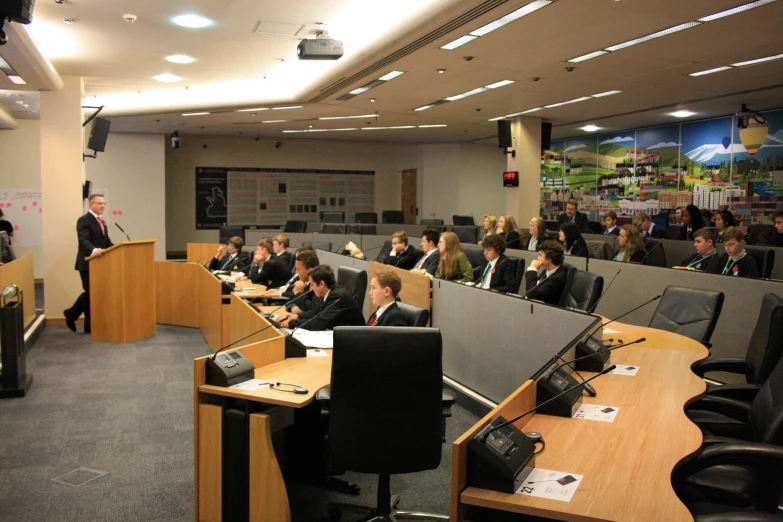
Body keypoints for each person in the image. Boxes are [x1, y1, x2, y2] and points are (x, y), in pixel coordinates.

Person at [64, 194, 114, 333]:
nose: (103, 206)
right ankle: (71, 313)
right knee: (91, 292)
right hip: (87, 263)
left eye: (104, 203)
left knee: (93, 294)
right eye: (99, 203)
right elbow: (83, 240)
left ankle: (88, 325)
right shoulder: (84, 220)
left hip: (100, 263)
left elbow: (107, 242)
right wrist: (94, 250)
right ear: (91, 205)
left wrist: (119, 248)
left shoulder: (102, 222)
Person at [277, 265, 365, 330]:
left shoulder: (337, 297)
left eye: (312, 285)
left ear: (322, 284)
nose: (311, 289)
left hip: (353, 340)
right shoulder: (332, 292)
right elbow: (317, 313)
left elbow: (319, 323)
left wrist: (290, 323)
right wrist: (297, 316)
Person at [523, 240, 567, 305]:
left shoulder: (556, 279)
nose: (538, 258)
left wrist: (532, 269)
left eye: (540, 255)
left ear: (549, 258)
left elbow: (530, 294)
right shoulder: (547, 271)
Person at [284, 249, 321, 314]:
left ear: (310, 271)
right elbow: (290, 300)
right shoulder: (303, 281)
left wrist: (298, 292)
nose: (296, 272)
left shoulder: (319, 286)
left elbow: (313, 309)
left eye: (298, 269)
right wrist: (293, 307)